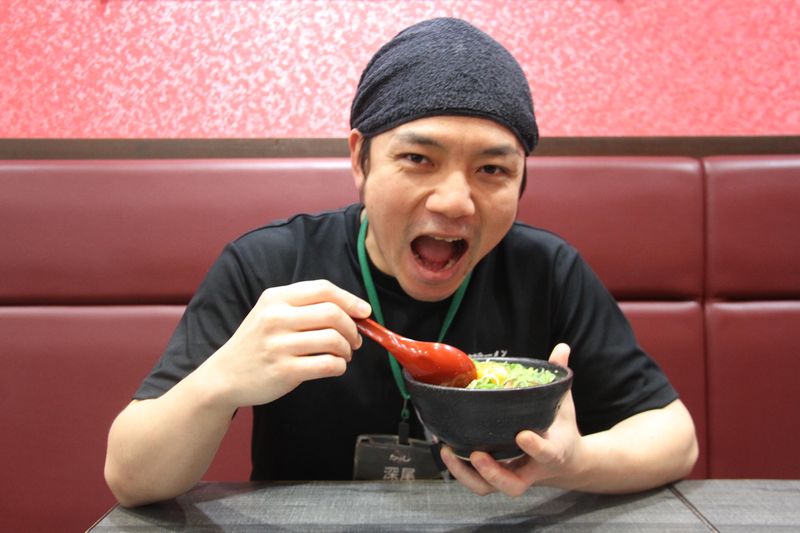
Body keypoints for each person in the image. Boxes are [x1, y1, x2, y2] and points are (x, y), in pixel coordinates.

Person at [104, 17, 697, 506]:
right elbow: (130, 478)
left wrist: (572, 461)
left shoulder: (546, 270)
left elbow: (674, 438)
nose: (455, 201)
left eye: (492, 169)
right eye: (418, 159)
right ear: (360, 159)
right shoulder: (271, 265)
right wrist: (218, 383)